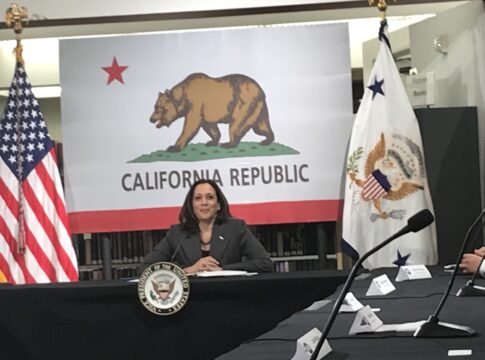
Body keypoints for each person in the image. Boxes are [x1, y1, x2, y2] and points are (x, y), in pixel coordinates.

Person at [138, 179, 273, 274]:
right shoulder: (177, 233)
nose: (204, 203)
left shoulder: (236, 228)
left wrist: (223, 270)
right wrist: (188, 270)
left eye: (210, 197)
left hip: (229, 298)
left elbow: (265, 263)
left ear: (218, 204)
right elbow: (145, 268)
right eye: (198, 198)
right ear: (191, 205)